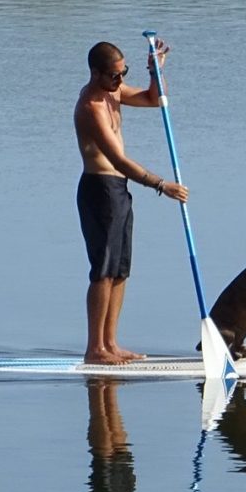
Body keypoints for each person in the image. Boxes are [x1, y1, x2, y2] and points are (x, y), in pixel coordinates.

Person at [73, 39, 189, 365]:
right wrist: (160, 184)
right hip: (99, 189)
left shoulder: (114, 91)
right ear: (96, 73)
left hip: (119, 191)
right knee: (103, 270)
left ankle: (110, 343)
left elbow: (155, 100)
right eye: (113, 75)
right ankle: (94, 348)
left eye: (124, 73)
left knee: (121, 270)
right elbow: (119, 160)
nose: (120, 81)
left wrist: (155, 71)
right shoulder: (90, 107)